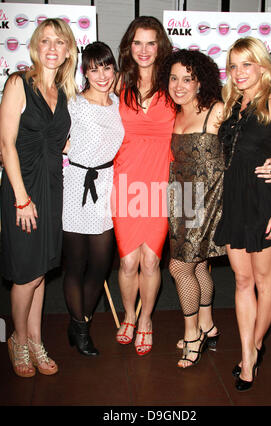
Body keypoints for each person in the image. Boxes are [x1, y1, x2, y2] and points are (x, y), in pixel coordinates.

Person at [160, 49, 271, 369]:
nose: (180, 85)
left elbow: (254, 140)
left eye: (188, 78)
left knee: (179, 267)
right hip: (182, 199)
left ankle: (192, 336)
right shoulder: (170, 113)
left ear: (201, 82)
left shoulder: (217, 110)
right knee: (197, 266)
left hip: (211, 200)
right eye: (174, 78)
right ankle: (208, 326)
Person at [214, 37, 271, 391]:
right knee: (242, 282)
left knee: (265, 282)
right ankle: (249, 350)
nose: (240, 72)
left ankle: (253, 349)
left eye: (247, 64)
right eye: (234, 65)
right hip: (234, 203)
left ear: (263, 66)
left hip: (265, 204)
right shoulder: (230, 106)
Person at [0, 18, 77, 377]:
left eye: (59, 42)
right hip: (23, 190)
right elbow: (5, 145)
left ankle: (35, 339)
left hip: (52, 190)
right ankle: (18, 339)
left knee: (42, 271)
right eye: (45, 41)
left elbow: (63, 144)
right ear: (35, 46)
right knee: (25, 274)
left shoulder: (63, 93)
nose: (51, 48)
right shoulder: (18, 83)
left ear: (66, 51)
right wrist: (20, 198)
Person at [113, 16, 175, 355]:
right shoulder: (117, 82)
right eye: (138, 42)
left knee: (151, 261)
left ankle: (146, 319)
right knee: (127, 262)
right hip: (124, 182)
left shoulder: (174, 85)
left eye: (151, 42)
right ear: (129, 46)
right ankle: (128, 315)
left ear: (160, 46)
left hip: (160, 186)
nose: (144, 49)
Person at [62, 42, 124, 356]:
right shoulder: (73, 103)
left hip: (107, 185)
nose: (101, 75)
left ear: (115, 69)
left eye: (106, 67)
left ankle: (77, 321)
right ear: (85, 71)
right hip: (75, 185)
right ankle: (81, 327)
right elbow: (52, 136)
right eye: (93, 68)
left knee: (100, 265)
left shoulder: (118, 104)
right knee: (75, 264)